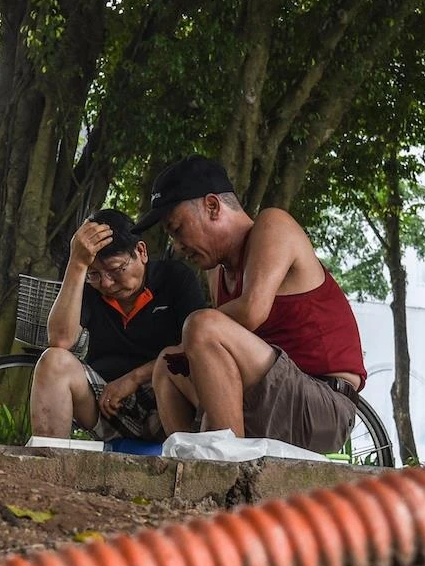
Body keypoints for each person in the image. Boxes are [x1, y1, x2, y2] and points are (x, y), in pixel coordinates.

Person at [132, 156, 367, 454]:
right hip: (265, 399)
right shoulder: (216, 269)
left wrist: (191, 336)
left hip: (322, 406)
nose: (177, 246)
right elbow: (221, 351)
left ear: (213, 207)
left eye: (177, 229)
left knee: (201, 325)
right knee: (168, 365)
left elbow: (252, 312)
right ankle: (196, 470)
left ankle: (226, 469)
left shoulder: (273, 225)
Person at [30, 209, 206, 442]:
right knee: (53, 361)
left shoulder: (175, 278)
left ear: (141, 252)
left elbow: (198, 348)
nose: (107, 283)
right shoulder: (89, 288)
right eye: (95, 274)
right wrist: (77, 264)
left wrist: (133, 379)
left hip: (168, 401)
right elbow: (60, 341)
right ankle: (47, 465)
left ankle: (199, 459)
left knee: (193, 360)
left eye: (116, 270)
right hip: (107, 406)